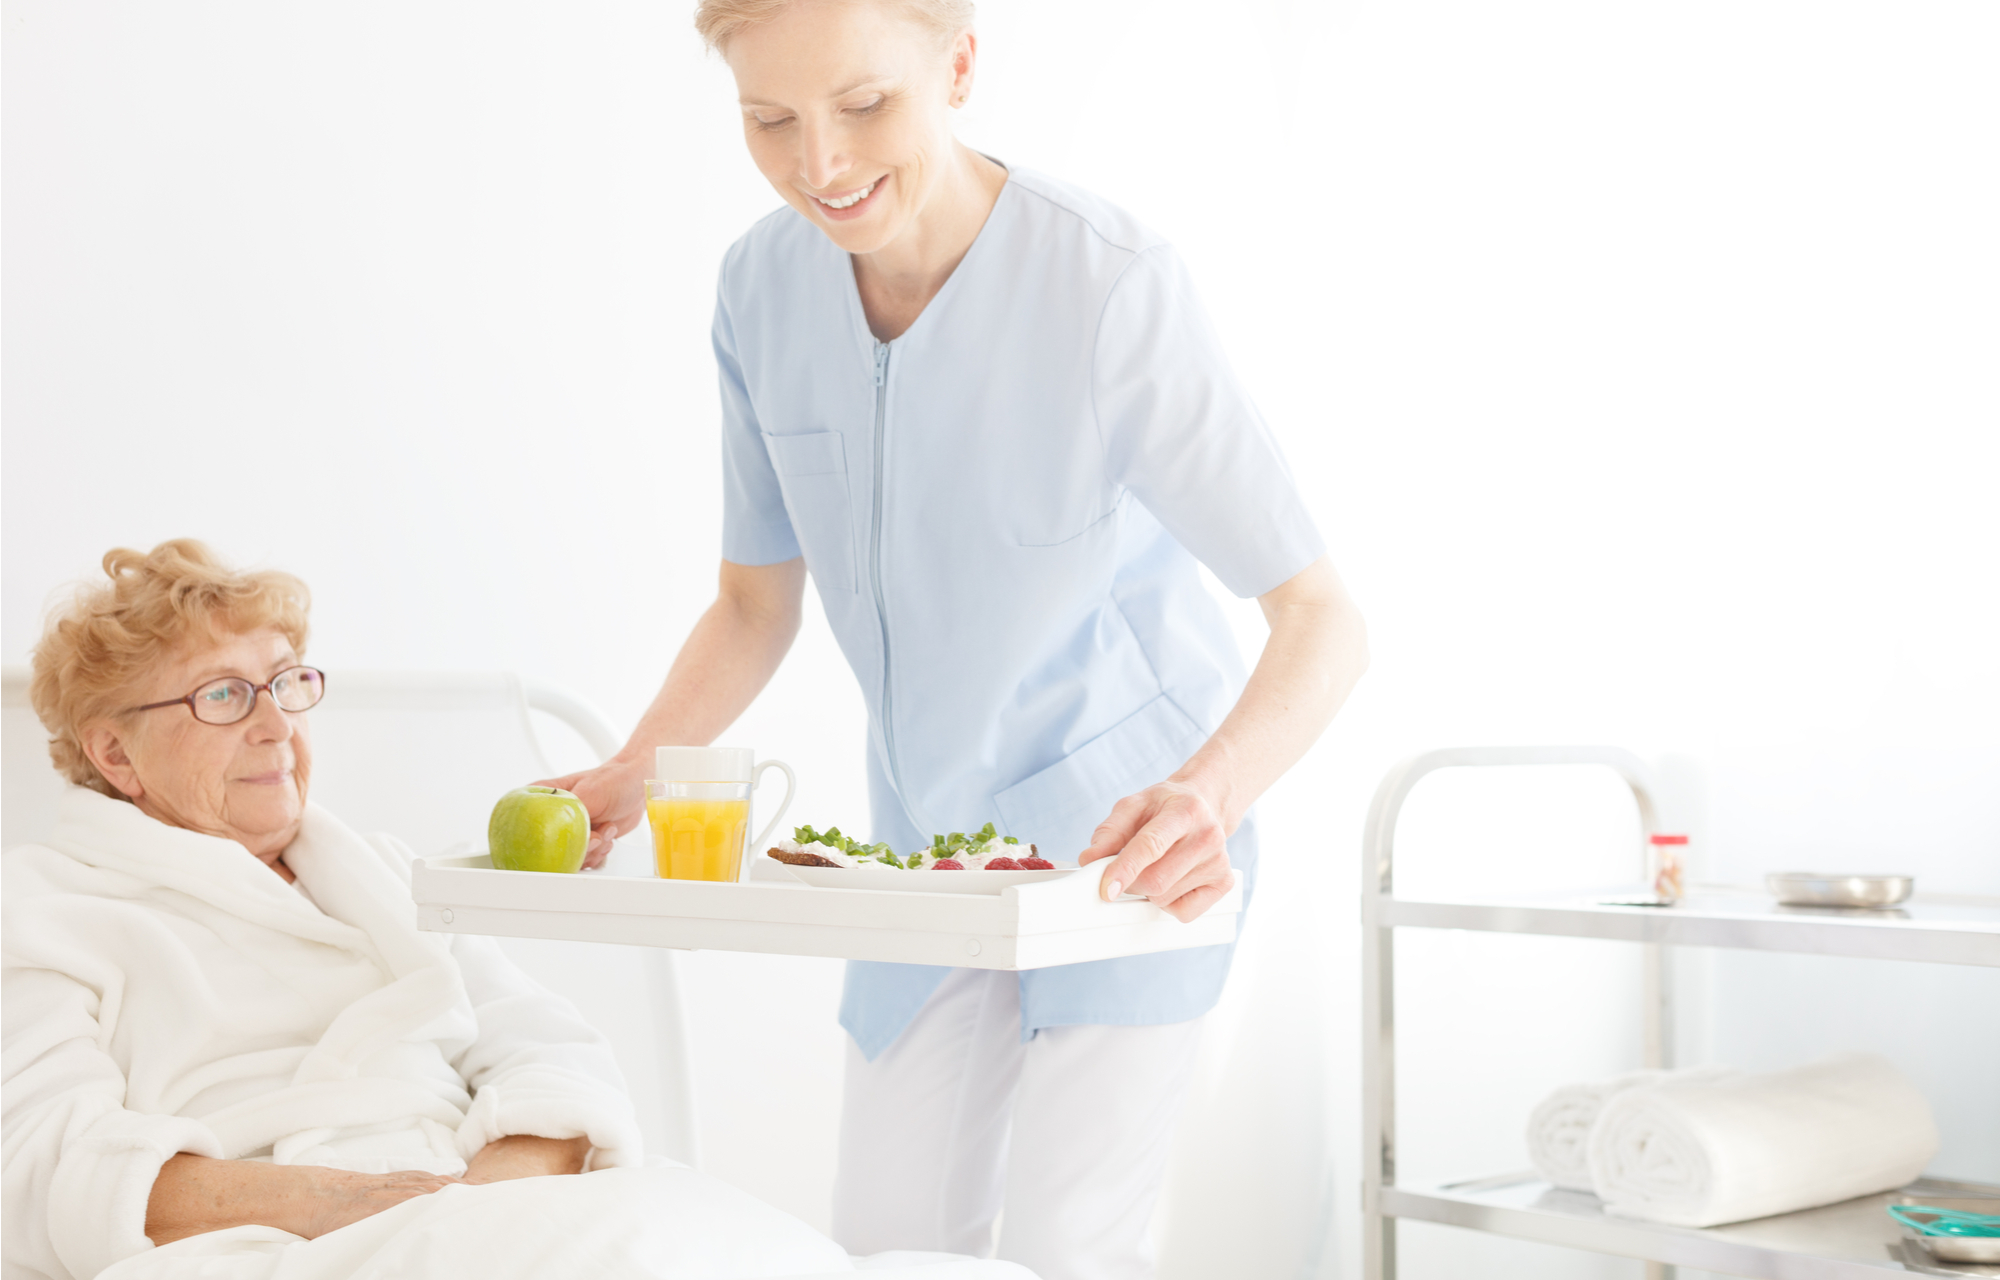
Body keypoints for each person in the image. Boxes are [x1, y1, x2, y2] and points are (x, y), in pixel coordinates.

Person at [549, 3, 1372, 1276]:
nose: (817, 163)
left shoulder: (1105, 283)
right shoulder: (760, 290)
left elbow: (1319, 616)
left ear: (960, 67)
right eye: (768, 120)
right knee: (885, 1243)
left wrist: (1208, 797)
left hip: (1128, 844)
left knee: (1064, 1249)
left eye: (864, 106)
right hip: (921, 847)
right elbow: (754, 603)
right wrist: (631, 768)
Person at [3, 541, 1024, 1280]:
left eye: (287, 682)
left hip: (479, 1212)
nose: (276, 725)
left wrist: (493, 1190)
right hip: (284, 1235)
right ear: (114, 753)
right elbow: (43, 1167)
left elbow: (550, 1049)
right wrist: (347, 1200)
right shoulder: (44, 908)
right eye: (222, 697)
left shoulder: (382, 871)